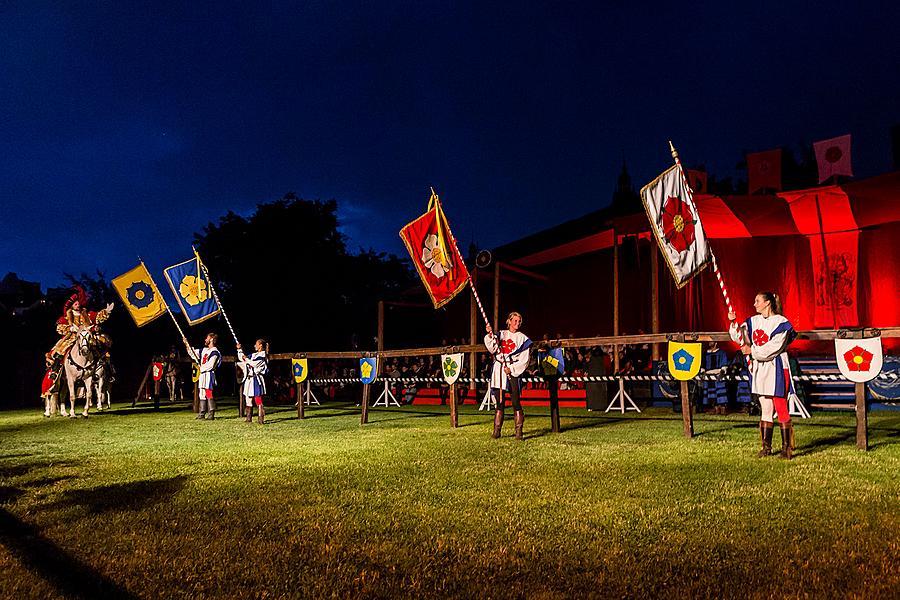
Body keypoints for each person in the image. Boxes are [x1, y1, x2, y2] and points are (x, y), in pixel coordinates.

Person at [728, 291, 798, 459]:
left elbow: (774, 347)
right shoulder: (753, 321)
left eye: (757, 301)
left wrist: (752, 350)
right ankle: (766, 448)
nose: (754, 304)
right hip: (760, 368)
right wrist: (733, 322)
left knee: (780, 407)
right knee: (765, 408)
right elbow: (740, 337)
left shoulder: (782, 323)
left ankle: (786, 449)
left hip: (777, 367)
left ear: (767, 303)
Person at [42, 286, 113, 403]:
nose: (78, 305)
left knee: (100, 348)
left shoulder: (87, 314)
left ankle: (104, 371)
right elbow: (60, 328)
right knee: (60, 351)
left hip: (86, 337)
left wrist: (106, 311)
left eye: (79, 303)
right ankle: (56, 371)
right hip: (72, 338)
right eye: (75, 304)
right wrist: (70, 328)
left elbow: (97, 317)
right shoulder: (67, 316)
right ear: (71, 305)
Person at [484, 312, 532, 440]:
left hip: (513, 370)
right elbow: (492, 348)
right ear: (509, 321)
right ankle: (497, 430)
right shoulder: (501, 334)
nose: (517, 323)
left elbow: (525, 359)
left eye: (519, 321)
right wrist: (490, 335)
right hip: (500, 369)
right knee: (499, 402)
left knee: (516, 401)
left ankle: (518, 432)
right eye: (515, 320)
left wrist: (511, 369)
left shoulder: (523, 339)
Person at [183, 333, 221, 420]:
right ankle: (202, 413)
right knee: (202, 394)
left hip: (208, 374)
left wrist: (201, 367)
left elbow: (211, 365)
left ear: (211, 339)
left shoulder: (215, 352)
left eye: (207, 338)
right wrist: (186, 344)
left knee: (208, 392)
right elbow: (193, 353)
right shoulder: (204, 350)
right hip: (203, 374)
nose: (205, 340)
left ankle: (211, 413)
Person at [237, 339, 269, 424]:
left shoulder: (262, 356)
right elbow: (242, 359)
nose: (255, 346)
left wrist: (246, 359)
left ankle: (260, 419)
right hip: (249, 379)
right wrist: (239, 350)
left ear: (260, 345)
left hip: (256, 379)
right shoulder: (254, 354)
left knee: (257, 398)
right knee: (248, 398)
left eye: (256, 344)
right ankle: (248, 418)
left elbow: (253, 364)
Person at [702, 341, 730, 414]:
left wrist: (722, 372)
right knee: (711, 392)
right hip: (708, 376)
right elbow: (703, 364)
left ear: (716, 342)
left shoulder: (721, 353)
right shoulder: (705, 353)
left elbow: (724, 365)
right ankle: (715, 408)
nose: (709, 343)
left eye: (711, 341)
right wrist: (703, 372)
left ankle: (722, 408)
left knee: (720, 390)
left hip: (718, 374)